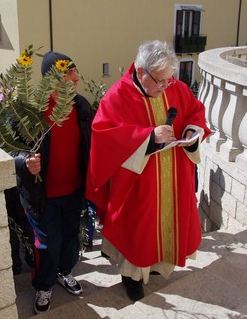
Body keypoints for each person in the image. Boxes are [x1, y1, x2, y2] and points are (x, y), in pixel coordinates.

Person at [86, 40, 212, 302]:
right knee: (138, 230)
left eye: (169, 80)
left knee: (166, 223)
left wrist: (190, 131)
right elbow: (103, 136)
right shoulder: (118, 95)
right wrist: (147, 137)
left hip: (173, 178)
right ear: (141, 71)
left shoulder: (172, 85)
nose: (167, 87)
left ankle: (155, 267)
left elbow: (194, 112)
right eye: (160, 81)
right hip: (138, 183)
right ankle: (131, 277)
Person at [14, 51, 93, 314]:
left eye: (74, 72)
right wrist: (25, 162)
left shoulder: (82, 107)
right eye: (68, 74)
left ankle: (63, 272)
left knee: (71, 237)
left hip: (74, 191)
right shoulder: (31, 110)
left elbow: (90, 145)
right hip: (41, 195)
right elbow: (11, 148)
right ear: (51, 80)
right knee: (48, 243)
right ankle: (44, 285)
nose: (75, 78)